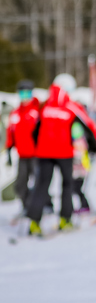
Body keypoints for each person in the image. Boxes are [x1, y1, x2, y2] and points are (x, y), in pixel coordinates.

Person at [26, 73, 96, 235]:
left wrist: (39, 146)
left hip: (44, 153)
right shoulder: (71, 106)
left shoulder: (45, 105)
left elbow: (35, 129)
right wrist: (94, 147)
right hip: (64, 153)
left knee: (41, 185)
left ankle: (34, 222)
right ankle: (65, 219)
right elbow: (88, 127)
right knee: (67, 185)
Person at [5, 79, 40, 216]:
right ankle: (27, 206)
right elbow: (11, 132)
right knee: (20, 185)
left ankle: (44, 206)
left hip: (36, 155)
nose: (25, 98)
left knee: (39, 183)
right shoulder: (16, 113)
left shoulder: (37, 111)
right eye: (22, 94)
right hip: (22, 155)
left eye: (27, 94)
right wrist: (8, 150)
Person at [71, 122, 91, 214]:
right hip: (79, 170)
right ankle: (83, 205)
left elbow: (79, 155)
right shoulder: (81, 141)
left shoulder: (78, 143)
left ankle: (85, 205)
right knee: (76, 189)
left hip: (80, 170)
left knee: (77, 189)